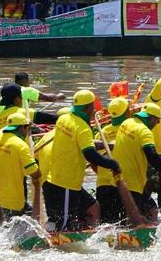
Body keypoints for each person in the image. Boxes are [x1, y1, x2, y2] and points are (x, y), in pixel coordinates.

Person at [41, 90, 120, 231]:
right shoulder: (82, 128)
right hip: (65, 184)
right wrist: (111, 164)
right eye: (93, 107)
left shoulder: (63, 119)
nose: (94, 110)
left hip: (57, 181)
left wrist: (104, 145)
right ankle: (51, 248)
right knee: (61, 228)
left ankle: (89, 240)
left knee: (93, 209)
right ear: (88, 107)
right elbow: (90, 154)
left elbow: (79, 143)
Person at [110, 102, 161, 223]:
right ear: (151, 118)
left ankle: (152, 230)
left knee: (152, 210)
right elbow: (152, 156)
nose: (157, 124)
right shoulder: (145, 132)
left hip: (118, 179)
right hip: (132, 184)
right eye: (157, 121)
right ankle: (130, 237)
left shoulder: (127, 123)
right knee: (130, 220)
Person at [0, 113, 40, 221]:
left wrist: (25, 124)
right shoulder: (21, 145)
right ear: (22, 128)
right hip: (11, 201)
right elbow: (34, 173)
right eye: (26, 128)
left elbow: (4, 128)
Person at [96, 97, 133, 223]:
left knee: (107, 223)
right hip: (121, 183)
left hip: (102, 184)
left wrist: (102, 174)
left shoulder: (101, 132)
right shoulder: (129, 131)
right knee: (122, 223)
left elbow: (93, 162)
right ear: (126, 113)